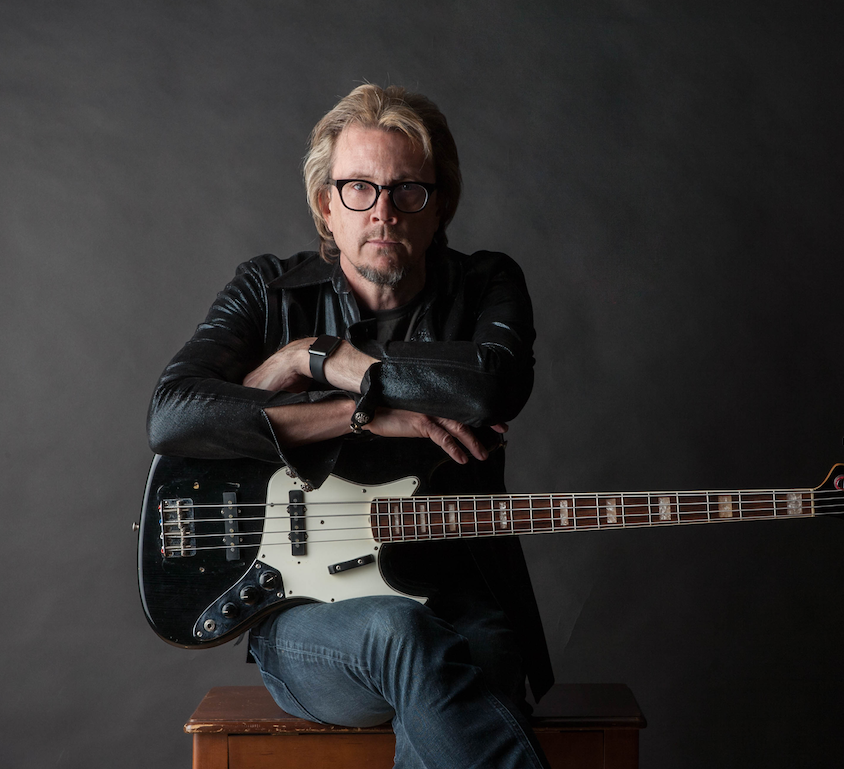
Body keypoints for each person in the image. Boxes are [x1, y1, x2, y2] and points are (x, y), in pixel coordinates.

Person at [147, 84, 553, 768]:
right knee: (399, 632)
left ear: (440, 205)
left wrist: (324, 359)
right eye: (359, 189)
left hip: (465, 604)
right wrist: (358, 407)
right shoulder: (266, 291)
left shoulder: (488, 283)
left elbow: (489, 384)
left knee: (462, 663)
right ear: (325, 206)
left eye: (407, 192)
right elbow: (174, 412)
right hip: (311, 621)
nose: (384, 212)